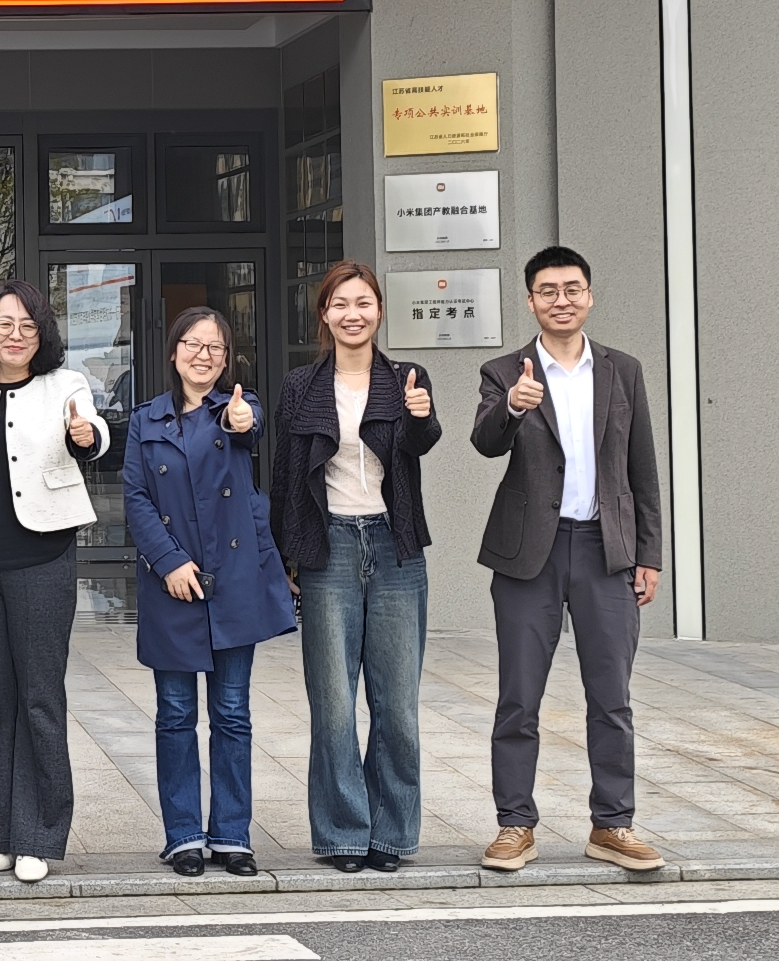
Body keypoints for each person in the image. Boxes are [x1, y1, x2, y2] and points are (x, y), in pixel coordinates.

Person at [472, 246, 665, 872]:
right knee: (519, 697)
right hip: (529, 552)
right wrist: (513, 406)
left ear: (589, 296)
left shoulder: (622, 370)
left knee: (612, 697)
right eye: (549, 291)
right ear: (531, 300)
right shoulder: (506, 370)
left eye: (572, 289)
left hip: (607, 551)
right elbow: (485, 442)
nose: (562, 300)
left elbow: (641, 468)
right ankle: (514, 825)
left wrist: (648, 554)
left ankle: (613, 824)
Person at [0, 279, 108, 884]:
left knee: (39, 698)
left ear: (42, 333)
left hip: (41, 558)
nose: (14, 335)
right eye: (3, 324)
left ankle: (40, 836)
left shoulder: (66, 384)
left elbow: (93, 433)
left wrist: (87, 437)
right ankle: (3, 836)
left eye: (27, 325)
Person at [269, 262, 440, 874]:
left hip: (395, 548)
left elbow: (421, 444)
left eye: (363, 303)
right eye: (340, 303)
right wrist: (287, 555)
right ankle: (344, 832)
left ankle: (391, 834)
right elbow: (287, 475)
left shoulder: (406, 379)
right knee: (334, 705)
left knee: (397, 707)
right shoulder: (300, 386)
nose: (353, 314)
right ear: (324, 314)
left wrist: (420, 416)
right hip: (330, 547)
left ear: (379, 310)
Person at [124, 306, 295, 879]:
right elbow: (136, 498)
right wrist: (168, 561)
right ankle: (183, 836)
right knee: (175, 714)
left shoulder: (237, 409)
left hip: (233, 579)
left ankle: (231, 834)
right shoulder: (145, 420)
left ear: (227, 361)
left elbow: (251, 425)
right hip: (171, 584)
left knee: (232, 712)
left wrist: (243, 418)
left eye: (215, 348)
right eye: (193, 345)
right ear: (174, 352)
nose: (203, 355)